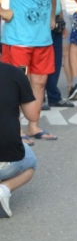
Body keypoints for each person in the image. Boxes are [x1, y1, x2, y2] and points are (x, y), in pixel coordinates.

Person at [0, 0, 58, 141]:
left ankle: (34, 126)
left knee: (40, 82)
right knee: (15, 85)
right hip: (17, 41)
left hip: (43, 40)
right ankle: (15, 130)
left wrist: (52, 16)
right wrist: (3, 11)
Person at [0, 62, 39, 218]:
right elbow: (33, 115)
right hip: (4, 159)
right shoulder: (14, 73)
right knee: (30, 159)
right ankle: (4, 189)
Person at [44, 0, 74, 109]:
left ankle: (53, 96)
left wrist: (61, 20)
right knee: (42, 62)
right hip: (42, 23)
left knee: (55, 61)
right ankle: (40, 97)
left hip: (55, 21)